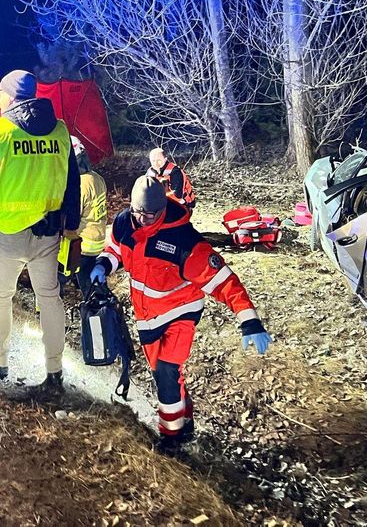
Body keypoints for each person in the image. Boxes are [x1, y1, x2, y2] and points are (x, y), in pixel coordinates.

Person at [90, 176, 272, 451]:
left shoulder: (184, 241)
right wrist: (104, 264)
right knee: (161, 373)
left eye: (151, 215)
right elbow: (116, 249)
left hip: (181, 312)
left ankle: (171, 438)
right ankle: (184, 422)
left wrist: (249, 320)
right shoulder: (124, 223)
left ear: (162, 209)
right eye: (139, 213)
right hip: (147, 315)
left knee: (166, 371)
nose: (144, 219)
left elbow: (224, 281)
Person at [0, 69, 80, 393]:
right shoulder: (60, 131)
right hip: (47, 233)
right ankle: (55, 370)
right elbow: (72, 181)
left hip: (5, 233)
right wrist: (71, 224)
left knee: (1, 298)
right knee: (50, 299)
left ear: (8, 95)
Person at [64, 135, 109, 297]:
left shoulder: (80, 185)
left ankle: (97, 316)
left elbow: (72, 217)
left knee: (88, 289)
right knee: (94, 279)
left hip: (82, 245)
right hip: (98, 240)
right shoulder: (97, 178)